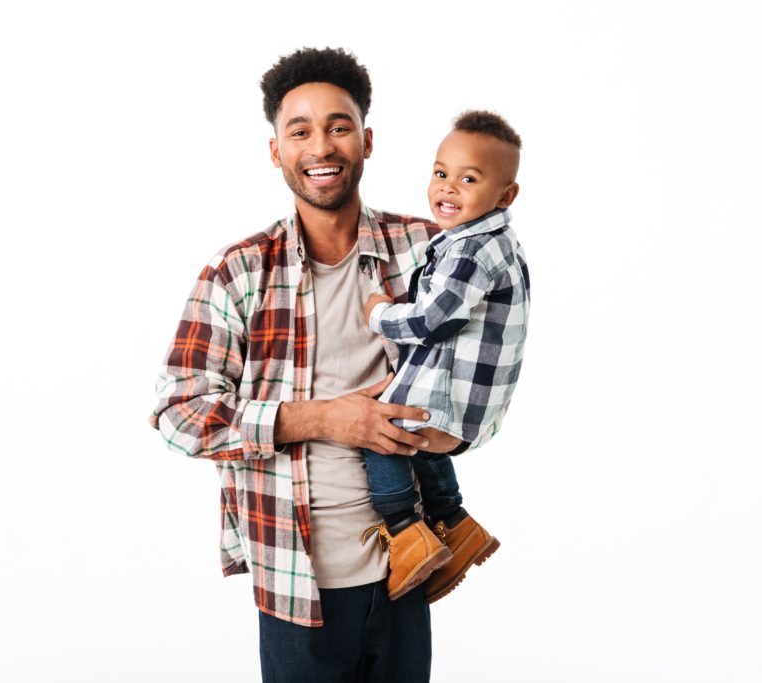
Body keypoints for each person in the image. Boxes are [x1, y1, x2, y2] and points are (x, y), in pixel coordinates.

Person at [149, 47, 451, 682]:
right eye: (301, 130)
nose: (322, 146)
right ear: (276, 150)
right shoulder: (238, 272)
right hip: (294, 578)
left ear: (367, 141)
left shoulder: (428, 250)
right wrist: (323, 420)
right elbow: (179, 413)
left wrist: (440, 425)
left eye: (339, 126)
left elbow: (488, 369)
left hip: (410, 563)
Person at [359, 111, 530, 604]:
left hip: (449, 392)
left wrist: (379, 314)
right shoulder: (490, 242)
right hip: (470, 399)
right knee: (421, 446)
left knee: (381, 432)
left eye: (469, 179)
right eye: (441, 173)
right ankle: (455, 524)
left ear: (505, 195)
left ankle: (407, 531)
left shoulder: (473, 251)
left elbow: (433, 320)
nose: (448, 188)